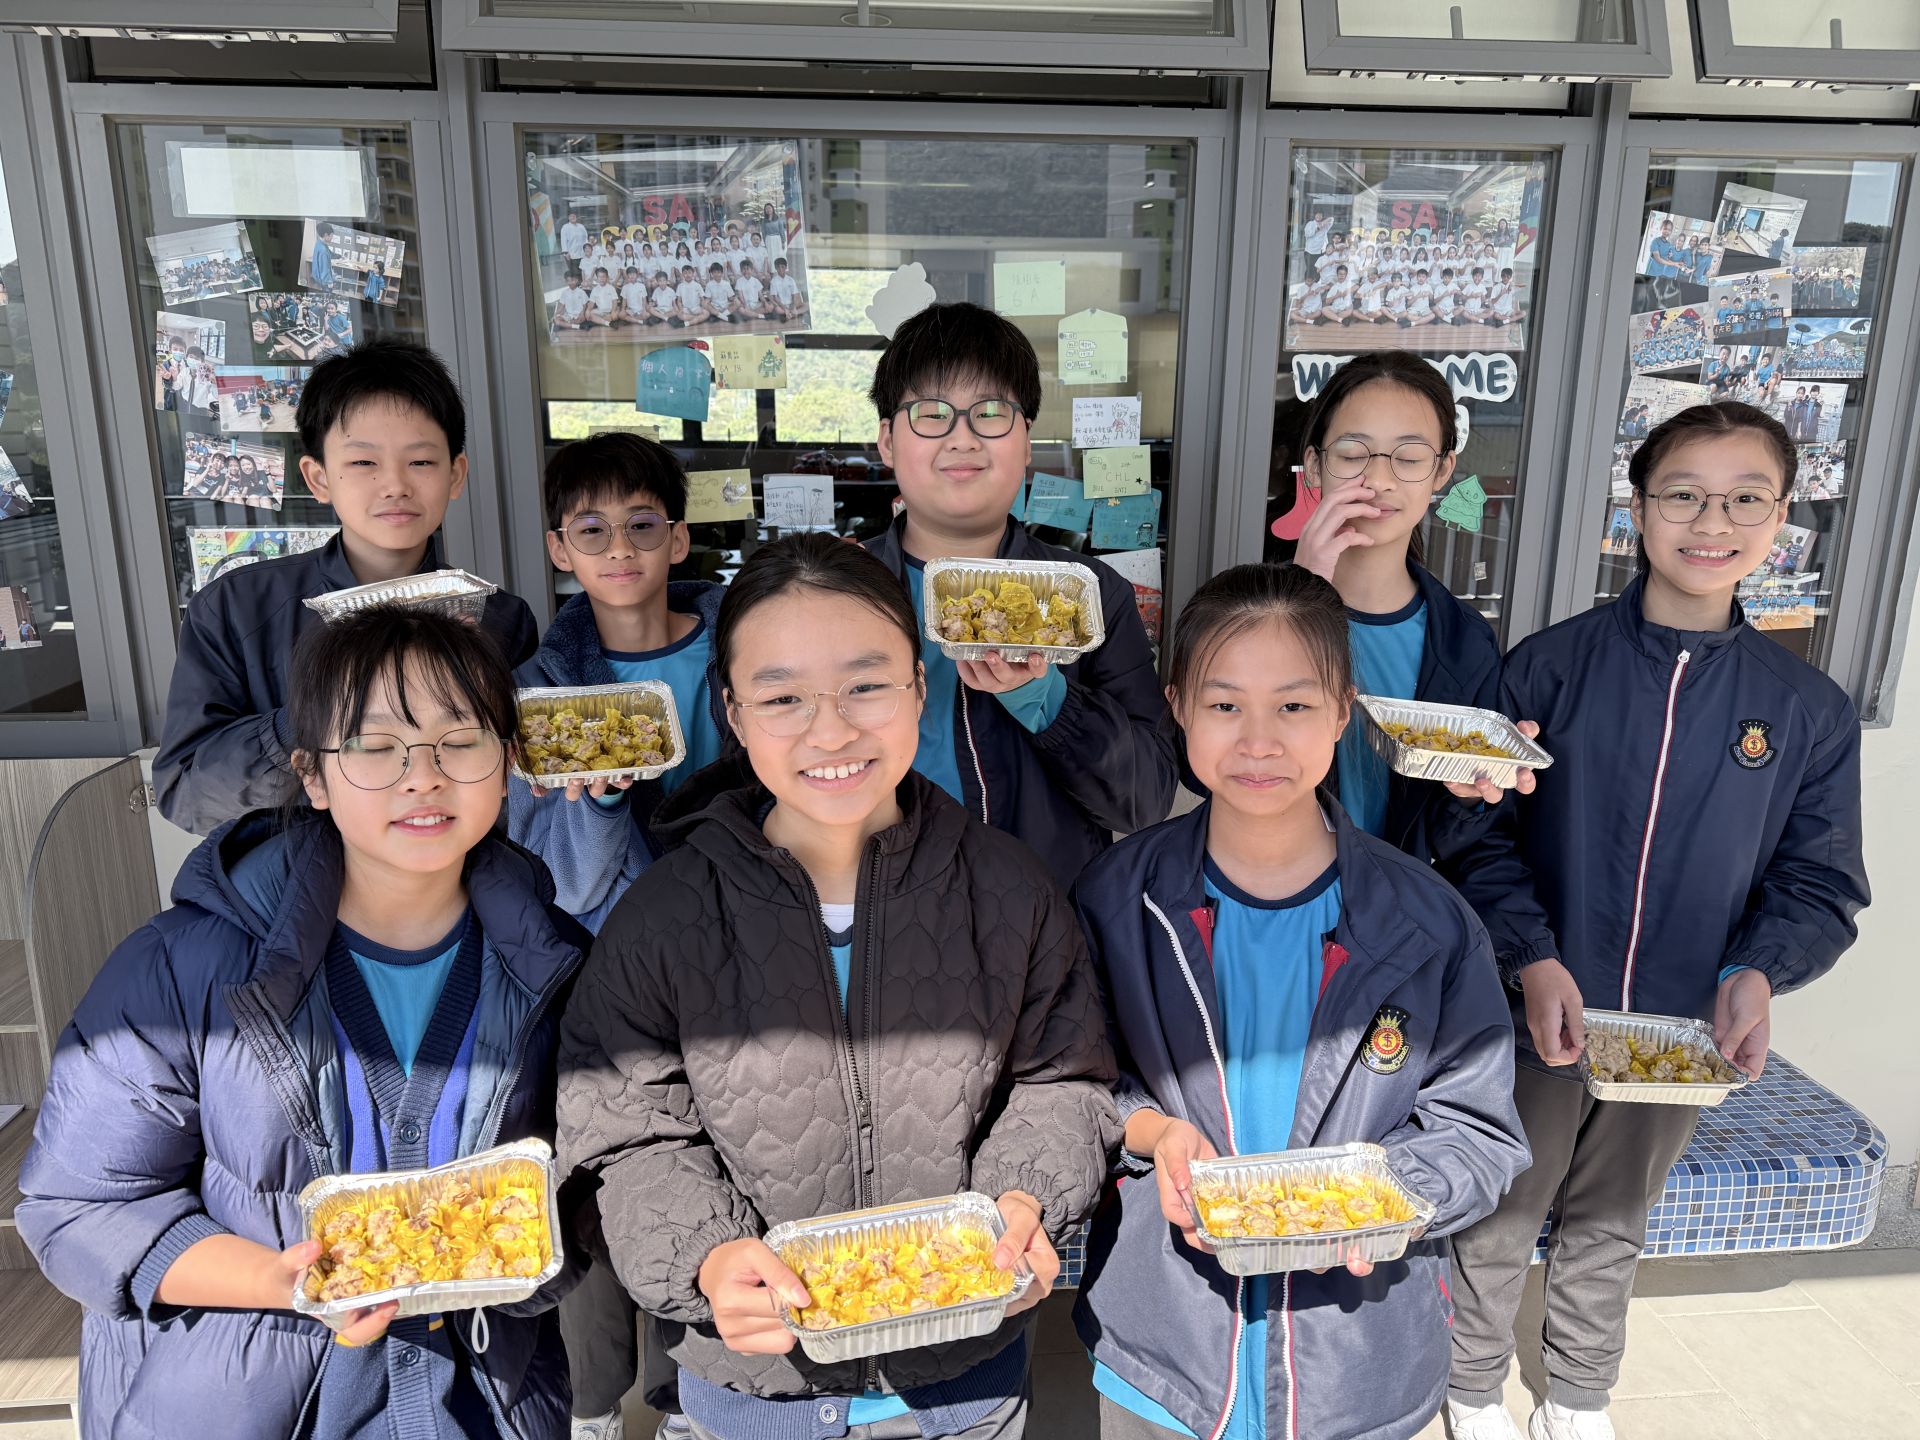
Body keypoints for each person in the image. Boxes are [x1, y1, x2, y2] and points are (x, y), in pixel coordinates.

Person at [556, 534, 1119, 1440]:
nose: (830, 731)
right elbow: (628, 1135)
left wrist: (1025, 1199)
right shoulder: (664, 915)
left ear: (921, 689)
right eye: (783, 697)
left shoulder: (1009, 890)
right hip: (755, 1391)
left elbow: (1061, 1081)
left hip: (965, 1386)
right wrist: (706, 1259)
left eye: (866, 685)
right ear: (734, 713)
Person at [18, 607, 589, 1440]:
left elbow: (590, 1188)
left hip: (486, 1400)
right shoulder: (180, 968)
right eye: (374, 746)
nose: (422, 776)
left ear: (507, 760)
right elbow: (77, 1207)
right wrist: (285, 1281)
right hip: (241, 1403)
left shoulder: (558, 963)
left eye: (459, 740)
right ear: (312, 776)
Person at [1443, 402, 1870, 1440]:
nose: (1711, 522)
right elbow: (1477, 837)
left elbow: (1820, 880)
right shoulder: (1549, 667)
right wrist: (1532, 959)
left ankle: (1578, 1394)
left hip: (1680, 1029)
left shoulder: (1806, 708)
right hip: (1538, 1007)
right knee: (1501, 1209)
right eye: (1683, 494)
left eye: (1745, 499)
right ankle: (1467, 1387)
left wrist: (1756, 972)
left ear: (1782, 518)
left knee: (1612, 1215)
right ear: (1636, 510)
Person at [1071, 561, 1528, 1440]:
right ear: (1177, 707)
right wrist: (1154, 1131)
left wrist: (1379, 1201)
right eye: (1224, 704)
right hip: (1162, 1356)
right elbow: (1076, 1083)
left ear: (1343, 712)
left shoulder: (1426, 922)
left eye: (1293, 705)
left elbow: (1479, 1132)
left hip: (1355, 1362)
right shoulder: (1118, 899)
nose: (1258, 741)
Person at [508, 434, 726, 1440]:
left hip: (732, 958)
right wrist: (597, 803)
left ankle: (691, 1398)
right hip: (601, 972)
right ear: (560, 549)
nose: (621, 548)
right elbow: (565, 883)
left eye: (643, 524)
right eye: (591, 530)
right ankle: (592, 1406)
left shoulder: (739, 646)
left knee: (717, 1167)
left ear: (678, 536)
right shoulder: (540, 687)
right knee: (595, 1172)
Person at [154, 337, 539, 836]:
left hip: (452, 872)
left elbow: (519, 791)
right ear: (318, 478)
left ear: (455, 474)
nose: (395, 485)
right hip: (289, 877)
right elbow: (185, 792)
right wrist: (320, 713)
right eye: (363, 463)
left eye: (421, 461)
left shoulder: (500, 619)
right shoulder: (236, 608)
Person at [862, 301, 1177, 891]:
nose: (962, 438)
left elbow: (1146, 798)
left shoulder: (1091, 595)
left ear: (1027, 440)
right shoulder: (839, 593)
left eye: (990, 413)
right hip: (876, 911)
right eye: (931, 414)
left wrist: (1048, 699)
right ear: (887, 440)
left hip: (1044, 920)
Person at [1287, 349, 1538, 870]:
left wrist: (1471, 796)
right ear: (1314, 465)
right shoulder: (1248, 610)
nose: (1379, 480)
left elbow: (1461, 841)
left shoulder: (1464, 641)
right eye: (1353, 453)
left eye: (1409, 457)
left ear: (1442, 470)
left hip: (1398, 906)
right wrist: (1300, 597)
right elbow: (1199, 768)